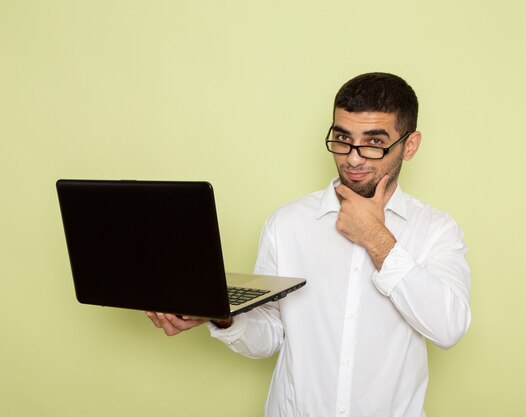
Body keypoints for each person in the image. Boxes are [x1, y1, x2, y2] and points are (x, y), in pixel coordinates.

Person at [146, 72, 471, 417]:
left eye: (374, 142)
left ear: (410, 145)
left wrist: (377, 239)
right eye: (343, 138)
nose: (353, 158)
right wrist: (223, 319)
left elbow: (448, 328)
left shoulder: (436, 230)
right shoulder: (286, 224)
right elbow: (271, 332)